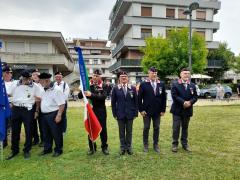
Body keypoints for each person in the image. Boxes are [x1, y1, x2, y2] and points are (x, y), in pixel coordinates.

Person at [6, 70, 41, 160]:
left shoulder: (35, 86)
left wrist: (36, 111)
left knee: (28, 130)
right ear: (21, 77)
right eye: (26, 79)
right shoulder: (14, 84)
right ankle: (14, 150)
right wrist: (10, 102)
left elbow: (38, 98)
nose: (28, 80)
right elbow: (8, 93)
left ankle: (27, 150)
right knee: (15, 131)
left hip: (28, 110)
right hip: (16, 109)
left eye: (29, 78)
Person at [78, 69, 109, 155]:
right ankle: (92, 147)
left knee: (103, 129)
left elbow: (103, 97)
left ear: (100, 77)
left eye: (97, 76)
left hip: (101, 110)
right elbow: (80, 96)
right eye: (94, 75)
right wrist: (82, 89)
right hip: (91, 110)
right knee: (91, 129)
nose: (95, 77)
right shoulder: (88, 86)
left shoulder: (104, 85)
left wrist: (91, 95)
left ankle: (104, 147)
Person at [138, 67, 167, 153]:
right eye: (152, 73)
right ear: (149, 74)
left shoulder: (161, 84)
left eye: (155, 73)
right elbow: (139, 99)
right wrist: (141, 110)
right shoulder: (143, 84)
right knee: (146, 127)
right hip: (146, 111)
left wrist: (163, 110)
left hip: (158, 111)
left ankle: (156, 144)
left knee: (156, 127)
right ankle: (145, 145)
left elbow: (164, 98)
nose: (154, 74)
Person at [170, 68, 198, 153]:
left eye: (188, 73)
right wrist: (184, 102)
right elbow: (174, 96)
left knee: (185, 128)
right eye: (185, 73)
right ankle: (175, 144)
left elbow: (195, 97)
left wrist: (190, 102)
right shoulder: (175, 84)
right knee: (176, 128)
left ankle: (185, 144)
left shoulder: (192, 85)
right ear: (180, 74)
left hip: (188, 110)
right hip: (177, 110)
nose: (187, 75)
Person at [38, 72, 65, 157]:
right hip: (44, 115)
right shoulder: (43, 88)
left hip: (53, 114)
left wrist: (59, 115)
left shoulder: (57, 90)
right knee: (46, 133)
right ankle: (47, 149)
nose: (40, 83)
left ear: (47, 81)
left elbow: (62, 104)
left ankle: (58, 150)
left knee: (56, 133)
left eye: (41, 82)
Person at [111, 71, 138, 155]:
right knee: (121, 132)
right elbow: (113, 102)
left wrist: (135, 113)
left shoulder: (132, 88)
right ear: (119, 78)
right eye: (122, 76)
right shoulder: (115, 88)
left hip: (130, 114)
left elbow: (136, 102)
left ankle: (129, 147)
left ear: (127, 78)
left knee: (129, 132)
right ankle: (122, 147)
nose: (123, 78)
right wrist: (114, 114)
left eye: (125, 76)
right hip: (120, 114)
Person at [2, 65, 14, 148]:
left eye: (10, 73)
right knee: (3, 124)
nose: (10, 75)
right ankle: (3, 141)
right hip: (2, 106)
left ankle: (8, 141)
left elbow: (15, 95)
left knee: (10, 124)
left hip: (12, 106)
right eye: (8, 73)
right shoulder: (1, 83)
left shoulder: (14, 83)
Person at [31, 69, 44, 146]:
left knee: (42, 123)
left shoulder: (43, 84)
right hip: (32, 105)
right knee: (32, 124)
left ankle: (43, 140)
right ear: (32, 76)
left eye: (37, 75)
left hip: (41, 105)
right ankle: (35, 139)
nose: (35, 76)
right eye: (34, 75)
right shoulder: (30, 85)